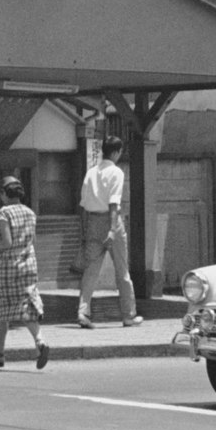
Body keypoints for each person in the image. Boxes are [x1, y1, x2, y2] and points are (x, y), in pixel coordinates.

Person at [0, 176, 51, 369]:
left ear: (4, 193)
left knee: (3, 311)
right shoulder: (30, 213)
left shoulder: (4, 213)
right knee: (27, 308)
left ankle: (0, 354)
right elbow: (33, 241)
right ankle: (40, 342)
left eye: (1, 193)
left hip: (8, 267)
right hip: (29, 264)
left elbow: (7, 242)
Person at [75, 135, 141, 329]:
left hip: (92, 221)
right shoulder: (116, 172)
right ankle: (129, 315)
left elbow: (83, 205)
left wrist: (84, 230)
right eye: (120, 152)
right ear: (116, 152)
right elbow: (114, 203)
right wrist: (112, 230)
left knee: (91, 270)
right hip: (112, 222)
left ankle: (83, 312)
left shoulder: (91, 173)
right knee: (122, 270)